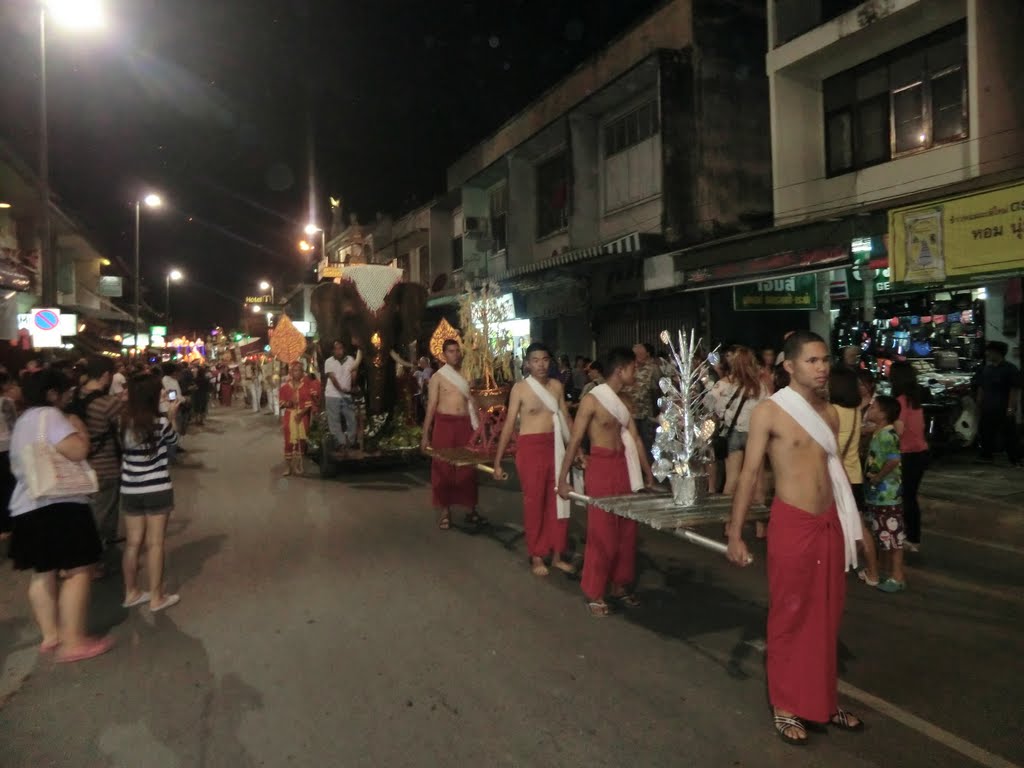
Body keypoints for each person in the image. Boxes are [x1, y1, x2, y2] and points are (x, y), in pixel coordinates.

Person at [726, 330, 863, 745]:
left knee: (826, 616)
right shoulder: (769, 411)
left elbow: (834, 474)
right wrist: (736, 532)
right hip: (793, 523)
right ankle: (786, 705)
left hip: (828, 523)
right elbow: (750, 474)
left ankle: (822, 701)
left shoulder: (831, 413)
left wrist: (852, 527)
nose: (822, 368)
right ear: (789, 365)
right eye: (812, 361)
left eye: (825, 360)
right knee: (789, 614)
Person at [7, 369, 114, 662]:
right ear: (52, 393)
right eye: (65, 391)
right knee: (80, 570)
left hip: (27, 505)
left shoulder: (23, 421)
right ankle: (74, 641)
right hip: (61, 505)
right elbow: (78, 451)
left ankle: (51, 636)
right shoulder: (51, 417)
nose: (69, 395)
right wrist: (79, 428)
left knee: (43, 573)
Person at [557, 347, 656, 617]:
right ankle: (594, 592)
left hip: (623, 466)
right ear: (620, 370)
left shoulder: (625, 402)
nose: (635, 372)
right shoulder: (592, 400)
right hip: (600, 467)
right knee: (602, 532)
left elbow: (634, 440)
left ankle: (619, 585)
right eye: (633, 368)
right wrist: (563, 480)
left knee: (626, 530)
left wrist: (648, 475)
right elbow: (575, 440)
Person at [492, 343, 576, 576]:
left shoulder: (557, 386)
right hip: (530, 449)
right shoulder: (520, 389)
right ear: (527, 363)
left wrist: (576, 451)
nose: (541, 364)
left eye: (545, 360)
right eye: (536, 360)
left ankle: (558, 553)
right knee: (535, 502)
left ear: (551, 362)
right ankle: (537, 554)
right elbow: (509, 425)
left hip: (556, 446)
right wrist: (498, 461)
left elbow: (566, 418)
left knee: (560, 500)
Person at [119, 373, 180, 613]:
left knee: (133, 543)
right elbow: (173, 443)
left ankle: (131, 591)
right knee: (155, 544)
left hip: (130, 488)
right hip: (157, 487)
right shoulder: (160, 423)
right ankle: (156, 596)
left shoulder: (123, 422)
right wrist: (172, 416)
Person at [65, 356, 124, 567]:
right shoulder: (109, 403)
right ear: (106, 376)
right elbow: (123, 431)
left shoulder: (72, 397)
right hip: (104, 467)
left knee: (83, 514)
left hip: (76, 465)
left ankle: (81, 557)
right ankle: (93, 563)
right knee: (102, 517)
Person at [421, 339, 485, 530]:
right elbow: (431, 406)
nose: (455, 354)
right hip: (444, 424)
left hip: (465, 424)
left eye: (457, 351)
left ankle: (470, 509)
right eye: (450, 351)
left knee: (468, 468)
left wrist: (480, 428)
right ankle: (445, 511)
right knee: (443, 467)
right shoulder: (438, 377)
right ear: (443, 354)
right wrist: (425, 435)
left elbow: (474, 403)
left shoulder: (467, 375)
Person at [830, 366, 879, 586]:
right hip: (854, 475)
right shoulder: (854, 411)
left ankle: (855, 569)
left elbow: (832, 450)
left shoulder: (832, 411)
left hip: (839, 477)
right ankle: (872, 571)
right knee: (858, 524)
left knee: (842, 525)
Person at [864, 395, 906, 593]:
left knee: (893, 536)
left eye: (873, 407)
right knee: (885, 534)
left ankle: (897, 576)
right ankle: (888, 571)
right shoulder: (880, 432)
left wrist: (878, 478)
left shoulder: (888, 435)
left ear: (882, 413)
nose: (869, 410)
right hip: (879, 494)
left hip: (887, 494)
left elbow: (893, 460)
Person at [889, 361, 929, 552]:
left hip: (907, 455)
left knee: (906, 498)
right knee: (910, 497)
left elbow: (898, 430)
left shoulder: (901, 401)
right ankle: (913, 536)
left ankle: (912, 538)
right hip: (920, 453)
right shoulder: (914, 400)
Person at [974, 340, 1021, 465]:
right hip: (988, 406)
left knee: (1009, 434)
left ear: (997, 353)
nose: (987, 354)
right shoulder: (986, 370)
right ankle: (986, 456)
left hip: (1003, 407)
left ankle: (1015, 459)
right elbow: (981, 387)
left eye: (989, 351)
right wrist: (979, 404)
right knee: (985, 432)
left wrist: (1011, 408)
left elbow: (1014, 389)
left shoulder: (1010, 369)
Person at [324, 340, 361, 451]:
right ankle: (340, 442)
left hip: (347, 396)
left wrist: (352, 386)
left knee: (352, 419)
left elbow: (354, 374)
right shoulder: (329, 362)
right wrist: (342, 390)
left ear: (344, 349)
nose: (338, 351)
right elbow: (332, 378)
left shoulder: (351, 360)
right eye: (336, 349)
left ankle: (351, 441)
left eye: (340, 348)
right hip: (332, 395)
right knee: (334, 420)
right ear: (332, 351)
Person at [624, 342, 660, 458]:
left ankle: (648, 471)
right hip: (630, 413)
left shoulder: (653, 368)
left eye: (640, 353)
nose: (637, 356)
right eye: (635, 354)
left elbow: (658, 390)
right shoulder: (629, 368)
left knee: (647, 444)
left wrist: (657, 411)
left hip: (646, 414)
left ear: (647, 354)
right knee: (631, 443)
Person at [280, 361, 315, 476]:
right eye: (295, 370)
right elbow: (281, 404)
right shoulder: (284, 388)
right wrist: (289, 403)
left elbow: (309, 404)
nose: (297, 372)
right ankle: (288, 467)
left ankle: (299, 465)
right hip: (289, 416)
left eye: (300, 370)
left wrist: (301, 414)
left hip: (302, 416)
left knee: (301, 441)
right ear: (290, 372)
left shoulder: (306, 386)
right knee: (289, 442)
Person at [0, 373, 20, 539]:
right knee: (7, 488)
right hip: (5, 450)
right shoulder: (6, 403)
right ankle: (7, 527)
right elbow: (14, 426)